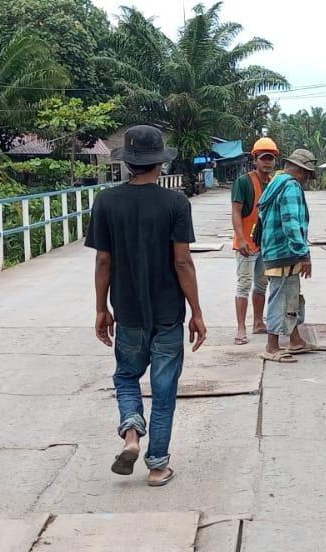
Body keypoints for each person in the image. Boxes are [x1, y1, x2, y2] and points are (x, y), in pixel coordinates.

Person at [88, 125, 207, 487]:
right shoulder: (175, 203)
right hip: (169, 314)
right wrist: (197, 312)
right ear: (159, 164)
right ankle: (157, 466)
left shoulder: (106, 202)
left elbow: (103, 263)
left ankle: (131, 430)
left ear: (127, 163)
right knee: (164, 388)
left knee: (126, 376)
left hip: (128, 313)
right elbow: (182, 262)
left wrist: (100, 309)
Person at [257, 149, 319, 363]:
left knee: (291, 295)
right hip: (284, 252)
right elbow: (291, 223)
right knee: (282, 297)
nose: (307, 180)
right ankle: (272, 346)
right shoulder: (290, 186)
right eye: (307, 174)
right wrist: (303, 254)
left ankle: (295, 340)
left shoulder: (276, 182)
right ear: (301, 171)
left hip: (275, 250)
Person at [230, 138, 278, 344]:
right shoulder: (243, 182)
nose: (267, 162)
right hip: (246, 244)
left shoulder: (274, 182)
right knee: (244, 284)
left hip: (266, 244)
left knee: (261, 284)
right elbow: (236, 211)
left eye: (271, 159)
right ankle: (241, 328)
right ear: (255, 160)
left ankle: (258, 322)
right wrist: (240, 239)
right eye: (263, 158)